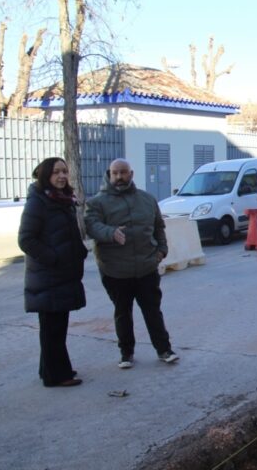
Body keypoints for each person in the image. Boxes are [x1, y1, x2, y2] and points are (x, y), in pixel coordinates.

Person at [85, 158, 179, 369]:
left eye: (123, 172)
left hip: (146, 268)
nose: (119, 177)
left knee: (153, 311)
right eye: (115, 173)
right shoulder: (96, 203)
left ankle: (164, 350)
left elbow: (158, 227)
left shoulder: (147, 199)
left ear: (131, 174)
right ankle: (126, 353)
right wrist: (110, 233)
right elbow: (92, 226)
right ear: (109, 175)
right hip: (115, 271)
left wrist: (162, 250)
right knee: (122, 313)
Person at [18, 157, 87, 387]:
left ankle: (50, 369)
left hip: (62, 275)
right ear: (46, 175)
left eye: (64, 171)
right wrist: (53, 258)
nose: (61, 176)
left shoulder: (62, 199)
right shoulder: (38, 201)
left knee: (56, 327)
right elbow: (26, 239)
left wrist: (79, 251)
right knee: (52, 329)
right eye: (56, 172)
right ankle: (57, 375)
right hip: (48, 276)